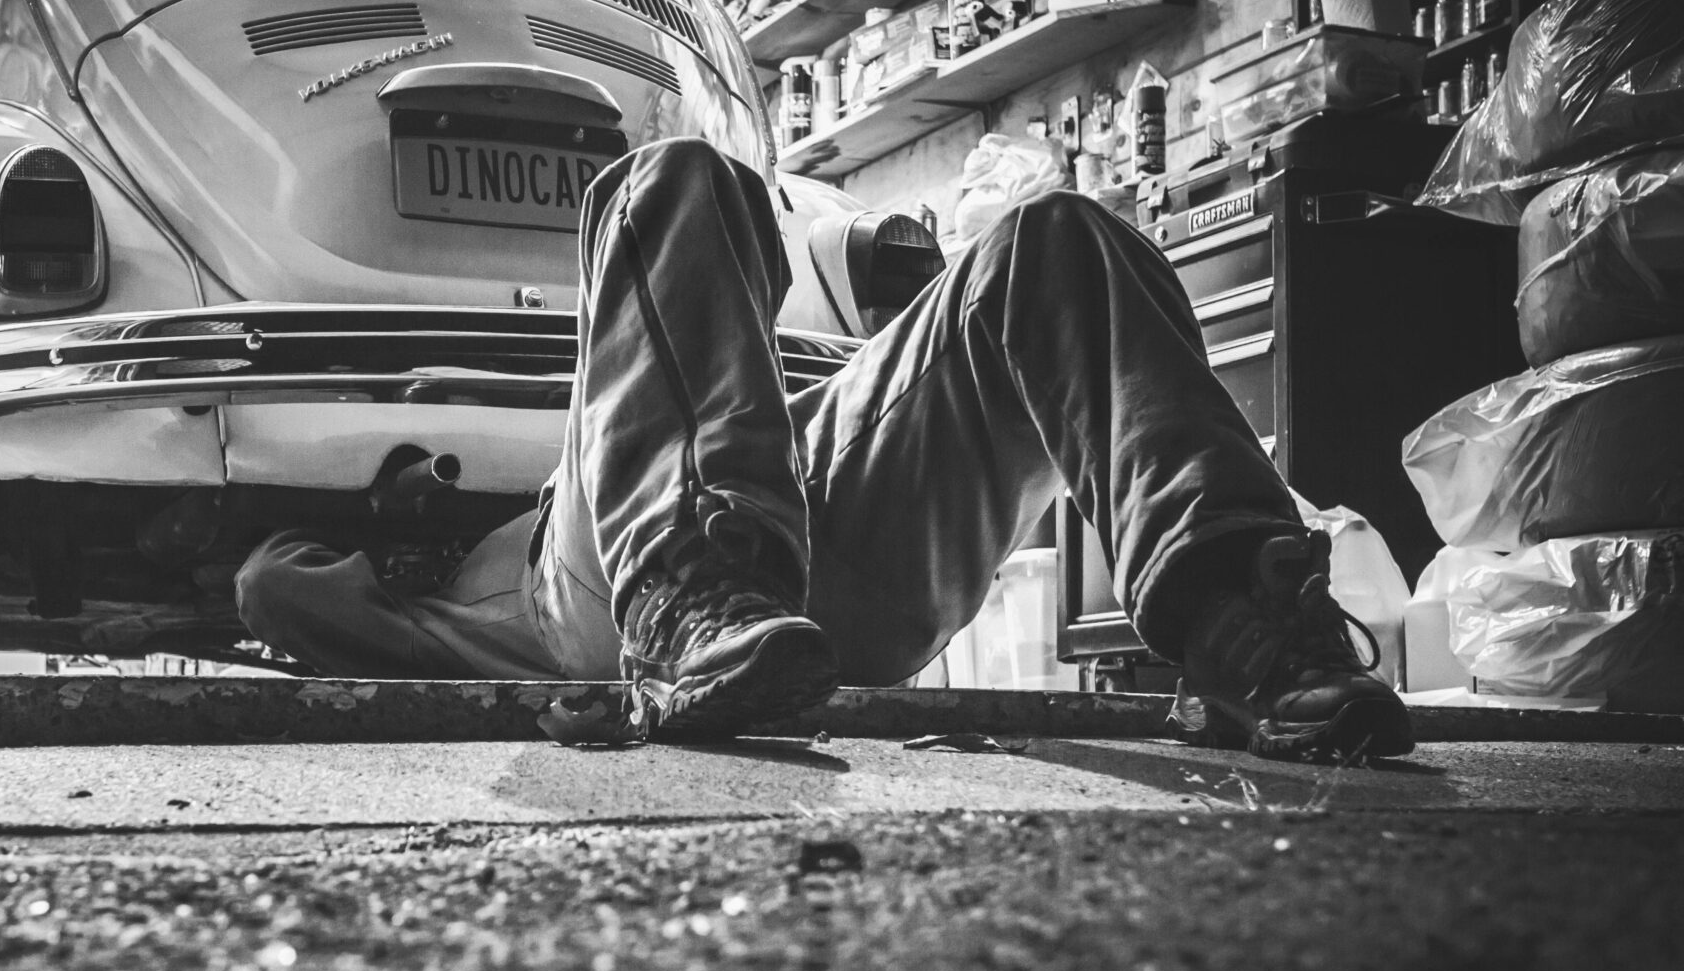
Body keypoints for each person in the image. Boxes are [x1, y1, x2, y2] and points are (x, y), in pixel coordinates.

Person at [235, 138, 1411, 764]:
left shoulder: (638, 429)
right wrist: (385, 530)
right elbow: (269, 581)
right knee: (673, 180)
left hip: (806, 561)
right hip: (626, 609)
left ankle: (1244, 627)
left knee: (1055, 240)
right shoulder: (421, 585)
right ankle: (694, 606)